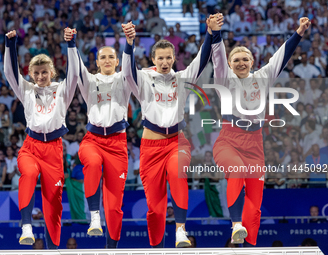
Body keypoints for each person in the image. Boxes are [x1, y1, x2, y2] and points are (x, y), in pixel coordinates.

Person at [121, 14, 223, 248]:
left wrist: (209, 33)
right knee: (155, 207)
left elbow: (202, 58)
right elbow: (127, 71)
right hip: (150, 148)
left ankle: (180, 230)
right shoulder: (144, 80)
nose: (165, 61)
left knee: (178, 174)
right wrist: (129, 43)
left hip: (177, 142)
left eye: (169, 57)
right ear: (153, 58)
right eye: (161, 58)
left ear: (174, 58)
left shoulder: (183, 78)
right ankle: (156, 247)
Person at [211, 17, 311, 246]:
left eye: (245, 58)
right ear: (229, 63)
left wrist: (298, 33)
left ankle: (248, 246)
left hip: (255, 143)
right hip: (229, 139)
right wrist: (215, 34)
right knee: (236, 171)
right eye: (236, 59)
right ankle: (236, 224)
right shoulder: (224, 79)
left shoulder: (263, 77)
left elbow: (281, 57)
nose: (241, 62)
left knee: (255, 204)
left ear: (253, 61)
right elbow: (217, 59)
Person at [4, 29, 79, 249]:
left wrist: (71, 44)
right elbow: (10, 73)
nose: (39, 77)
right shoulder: (26, 90)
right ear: (31, 74)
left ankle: (53, 248)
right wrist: (10, 46)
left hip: (54, 151)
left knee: (53, 203)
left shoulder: (62, 90)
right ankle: (26, 226)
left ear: (52, 72)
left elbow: (74, 74)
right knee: (28, 174)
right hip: (31, 147)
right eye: (35, 73)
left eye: (44, 72)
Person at [64, 28, 131, 248]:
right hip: (92, 140)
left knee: (114, 206)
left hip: (118, 144)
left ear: (118, 60)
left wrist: (130, 42)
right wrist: (71, 43)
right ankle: (94, 216)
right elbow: (76, 67)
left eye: (112, 56)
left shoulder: (125, 79)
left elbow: (130, 64)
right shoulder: (90, 81)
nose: (108, 60)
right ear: (97, 61)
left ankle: (112, 247)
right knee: (92, 163)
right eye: (103, 57)